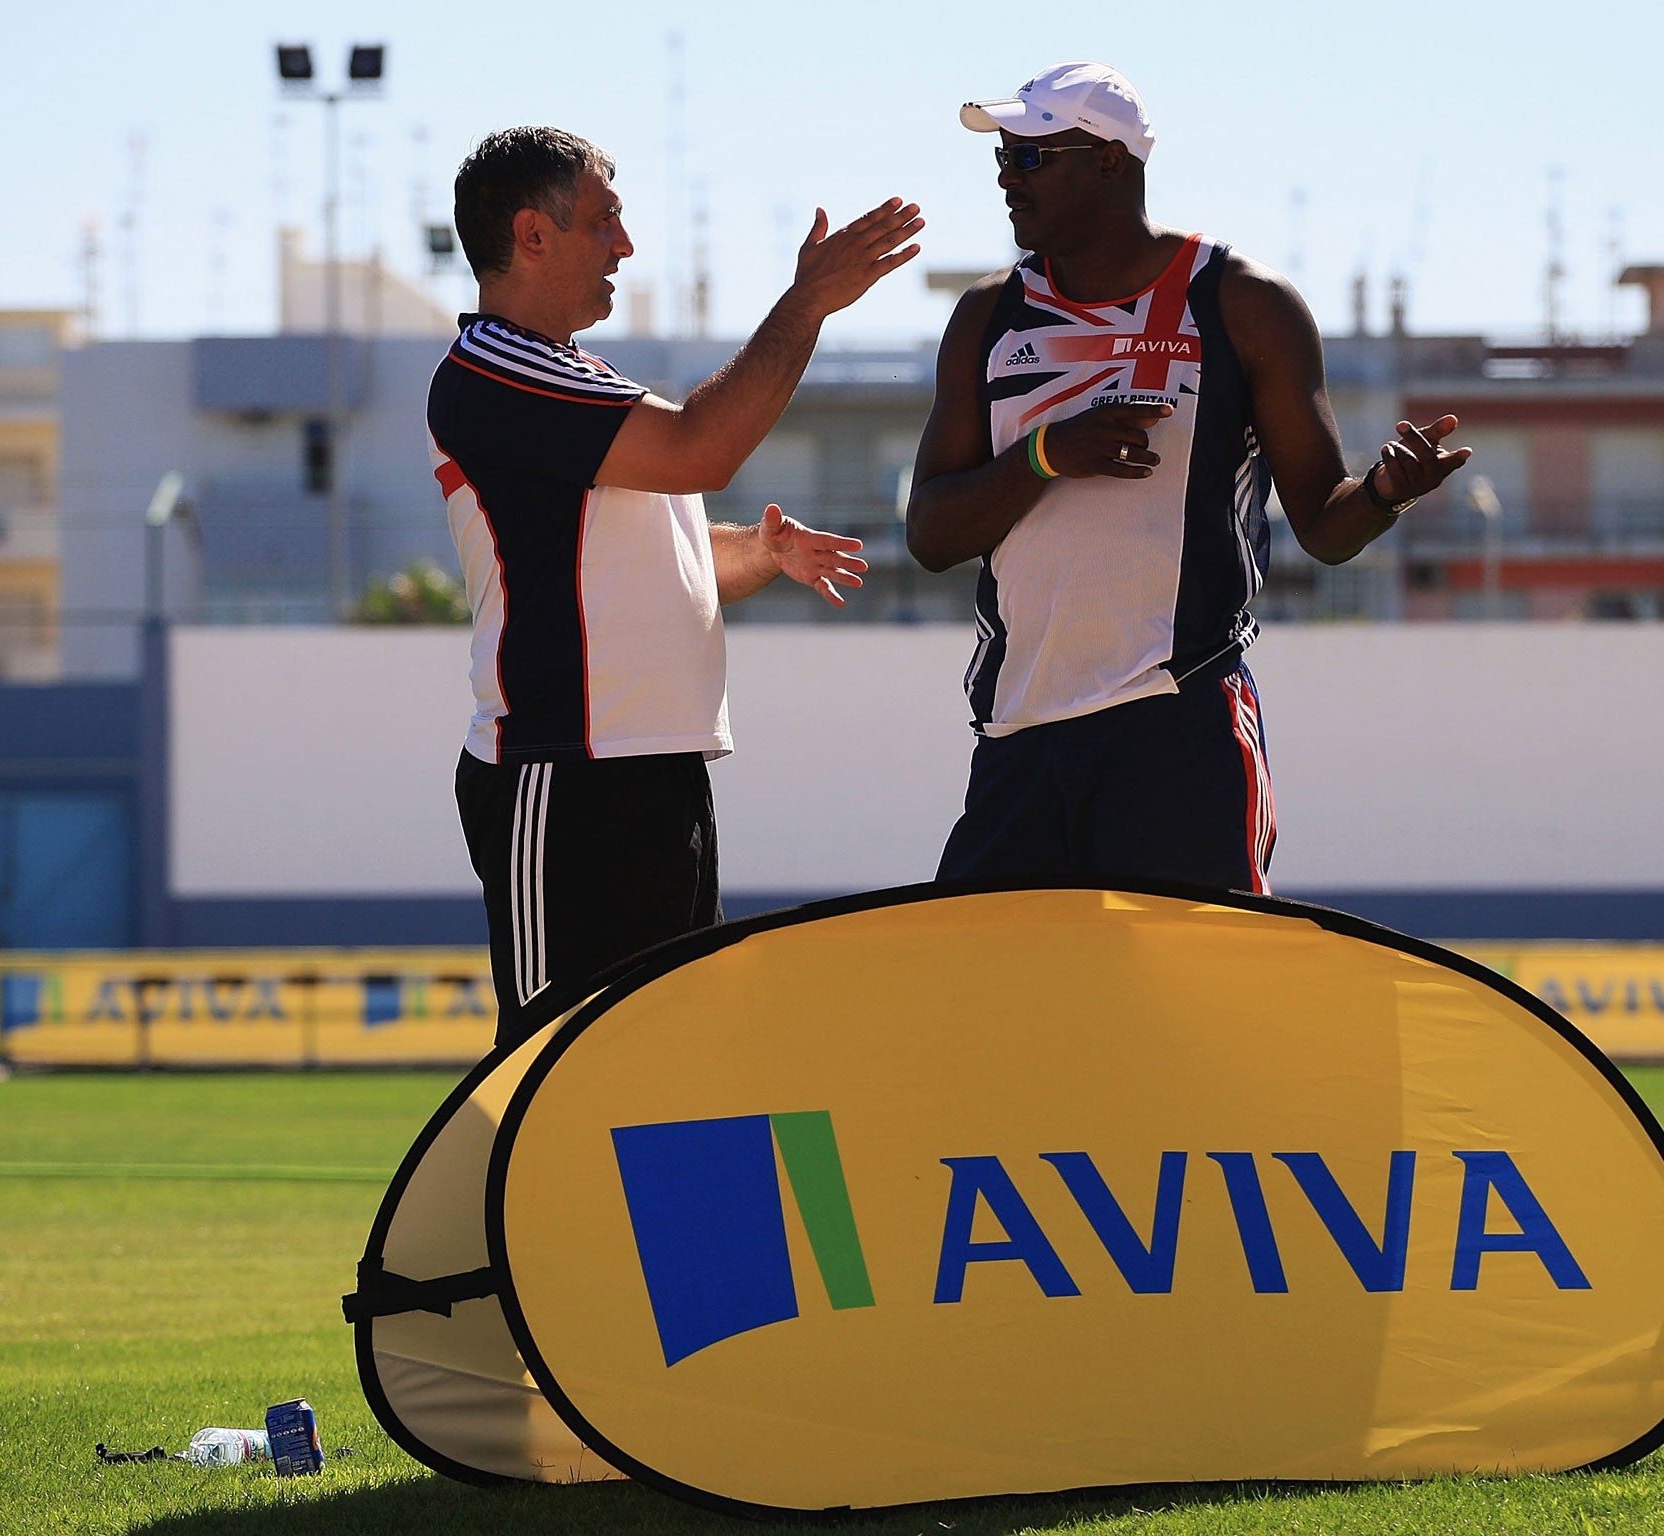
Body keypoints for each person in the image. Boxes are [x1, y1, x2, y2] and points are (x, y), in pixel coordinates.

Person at [907, 63, 1468, 896]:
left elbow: (1324, 526)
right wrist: (1045, 455)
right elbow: (930, 537)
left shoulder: (1242, 302)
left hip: (1180, 725)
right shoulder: (989, 314)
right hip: (1018, 734)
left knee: (1198, 1007)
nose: (1004, 178)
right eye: (1001, 158)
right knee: (998, 1011)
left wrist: (1388, 492)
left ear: (1108, 161)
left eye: (1029, 158)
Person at [431, 126, 921, 1046]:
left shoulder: (568, 375)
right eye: (606, 220)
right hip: (563, 775)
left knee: (675, 1066)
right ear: (532, 235)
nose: (625, 244)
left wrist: (760, 554)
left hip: (654, 773)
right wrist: (807, 302)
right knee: (557, 1068)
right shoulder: (494, 369)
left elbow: (665, 559)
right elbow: (702, 445)